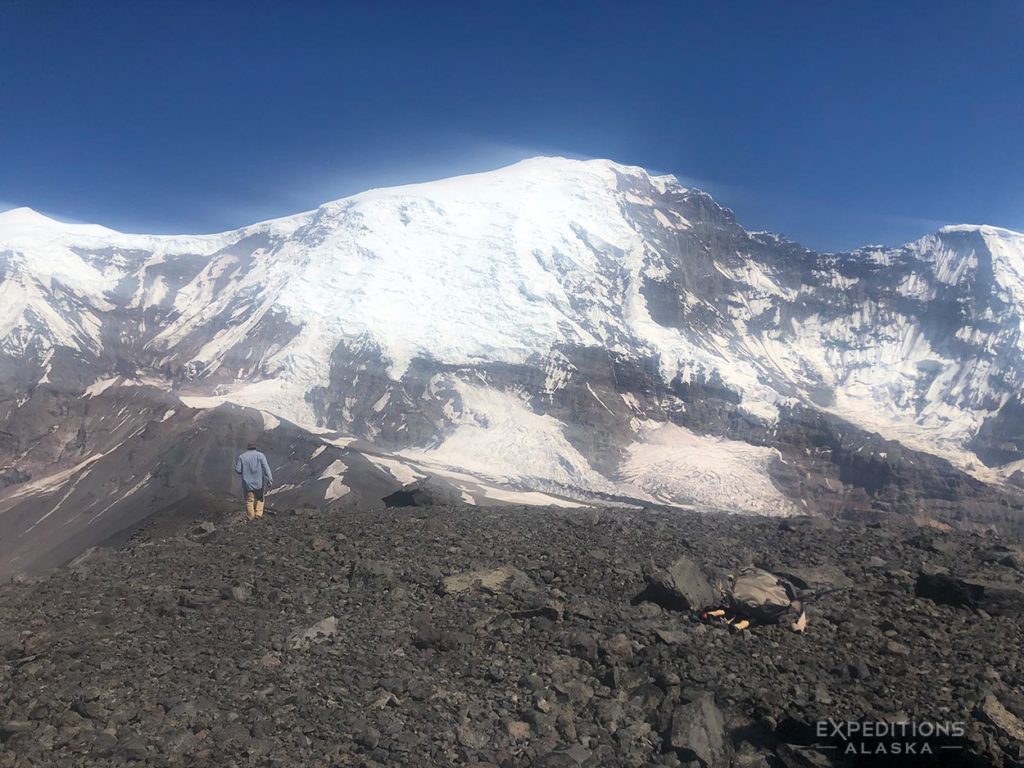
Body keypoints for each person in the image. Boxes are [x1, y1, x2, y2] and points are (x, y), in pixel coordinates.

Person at [235, 441, 273, 519]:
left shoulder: (242, 457)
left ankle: (250, 517)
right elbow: (266, 468)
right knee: (260, 499)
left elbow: (238, 470)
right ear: (255, 447)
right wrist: (270, 480)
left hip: (247, 484)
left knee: (249, 501)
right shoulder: (260, 456)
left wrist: (245, 471)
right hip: (259, 483)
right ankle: (258, 515)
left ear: (247, 448)